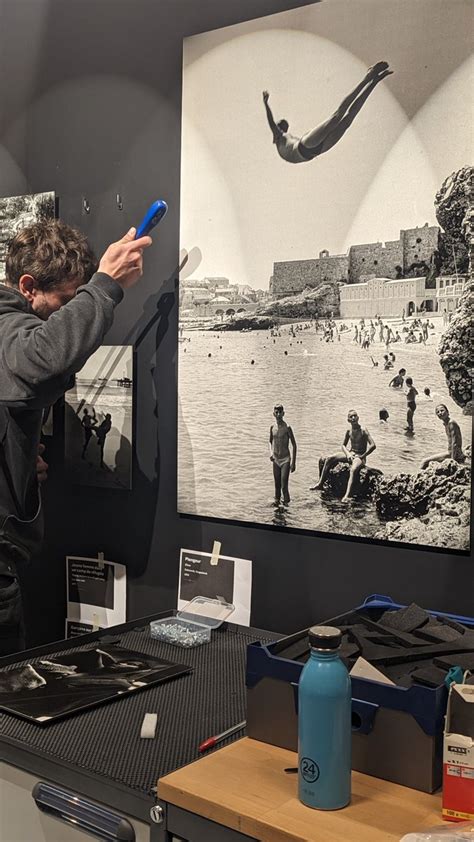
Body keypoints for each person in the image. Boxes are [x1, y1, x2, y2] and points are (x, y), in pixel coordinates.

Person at [0, 218, 152, 654]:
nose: (69, 314)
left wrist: (18, 459)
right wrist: (104, 286)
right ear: (27, 287)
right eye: (65, 303)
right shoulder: (7, 327)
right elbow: (40, 363)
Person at [262, 62, 392, 164]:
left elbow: (274, 124)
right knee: (346, 121)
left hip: (305, 146)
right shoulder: (278, 136)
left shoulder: (285, 139)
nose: (281, 127)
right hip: (316, 151)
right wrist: (266, 103)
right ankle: (374, 81)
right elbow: (271, 121)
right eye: (280, 125)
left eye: (283, 125)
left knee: (336, 117)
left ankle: (369, 76)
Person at [311, 410, 376, 501]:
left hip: (360, 456)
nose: (353, 418)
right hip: (351, 453)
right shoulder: (348, 431)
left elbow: (373, 445)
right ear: (348, 420)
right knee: (330, 458)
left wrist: (363, 456)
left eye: (355, 416)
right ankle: (320, 484)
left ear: (358, 418)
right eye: (351, 417)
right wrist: (348, 454)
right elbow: (343, 445)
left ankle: (347, 495)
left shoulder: (363, 430)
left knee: (353, 469)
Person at [421, 404, 465, 469]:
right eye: (437, 412)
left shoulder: (451, 423)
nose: (440, 413)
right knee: (427, 462)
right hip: (452, 453)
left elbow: (454, 443)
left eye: (442, 410)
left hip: (455, 455)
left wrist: (452, 461)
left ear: (447, 412)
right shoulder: (446, 423)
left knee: (424, 461)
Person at [269, 404, 297, 506]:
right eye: (276, 412)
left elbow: (294, 445)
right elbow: (270, 441)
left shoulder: (287, 428)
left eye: (280, 412)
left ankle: (286, 508)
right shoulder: (272, 427)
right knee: (277, 486)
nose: (279, 414)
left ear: (283, 413)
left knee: (284, 486)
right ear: (274, 414)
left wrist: (293, 463)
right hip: (276, 459)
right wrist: (271, 453)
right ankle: (277, 508)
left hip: (285, 459)